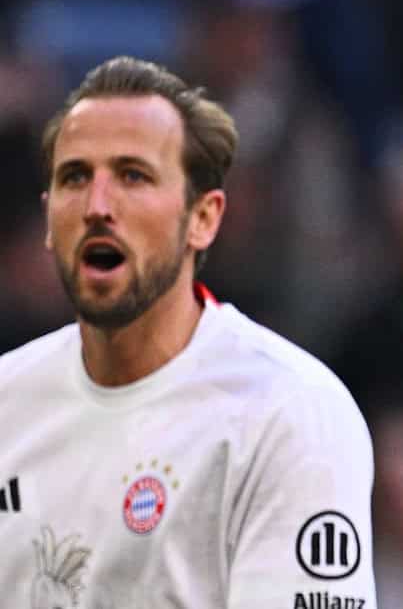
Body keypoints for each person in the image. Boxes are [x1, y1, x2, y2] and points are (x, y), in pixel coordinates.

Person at [0, 56, 377, 606]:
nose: (98, 206)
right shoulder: (7, 400)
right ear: (48, 218)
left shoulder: (289, 414)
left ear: (203, 218)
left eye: (133, 176)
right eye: (75, 177)